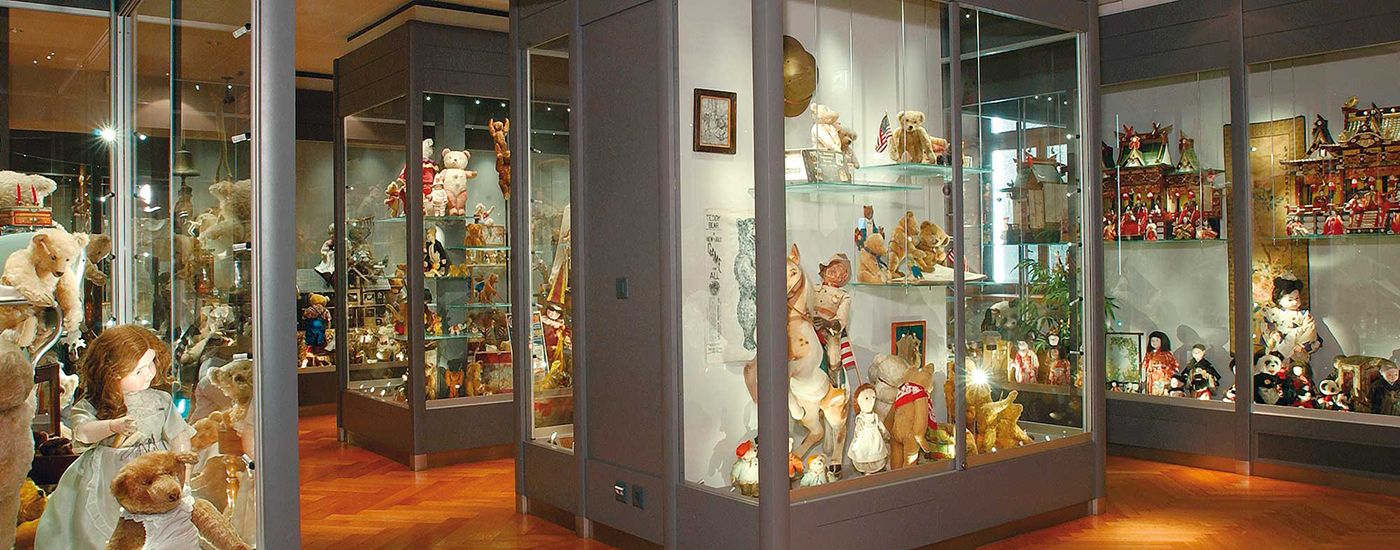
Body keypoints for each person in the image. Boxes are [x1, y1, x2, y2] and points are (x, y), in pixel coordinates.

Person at [36, 325, 194, 550]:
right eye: (138, 371)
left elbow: (178, 433)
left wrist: (181, 467)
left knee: (163, 525)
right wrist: (112, 425)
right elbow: (83, 432)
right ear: (110, 374)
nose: (149, 373)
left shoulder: (161, 401)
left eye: (151, 363)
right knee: (105, 525)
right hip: (110, 473)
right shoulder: (94, 405)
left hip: (155, 472)